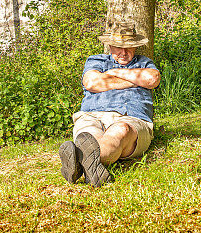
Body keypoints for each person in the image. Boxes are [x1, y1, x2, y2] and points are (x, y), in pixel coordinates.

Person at [59, 21, 161, 187]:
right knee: (89, 136)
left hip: (131, 118)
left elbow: (151, 79)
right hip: (92, 114)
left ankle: (79, 161)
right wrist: (134, 81)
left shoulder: (144, 63)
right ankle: (90, 164)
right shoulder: (96, 61)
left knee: (120, 131)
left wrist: (114, 73)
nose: (123, 52)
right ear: (110, 46)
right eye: (118, 47)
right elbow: (92, 83)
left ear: (135, 47)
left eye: (128, 47)